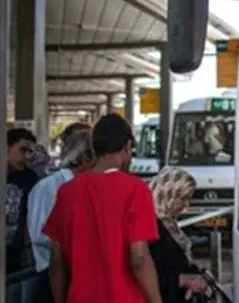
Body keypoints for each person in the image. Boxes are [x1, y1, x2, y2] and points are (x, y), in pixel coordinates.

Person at [43, 114, 163, 303]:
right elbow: (139, 257)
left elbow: (56, 260)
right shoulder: (136, 190)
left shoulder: (68, 191)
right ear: (127, 147)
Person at [26, 124, 92, 303]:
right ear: (86, 158)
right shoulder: (47, 188)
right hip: (49, 276)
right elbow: (39, 234)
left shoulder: (88, 188)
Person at [148, 167, 212, 302]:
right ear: (168, 194)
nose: (186, 206)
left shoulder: (168, 224)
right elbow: (144, 273)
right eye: (183, 199)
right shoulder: (149, 225)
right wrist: (182, 280)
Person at [6, 128, 41, 274]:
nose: (27, 157)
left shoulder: (28, 178)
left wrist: (28, 248)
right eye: (23, 150)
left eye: (30, 152)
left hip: (14, 256)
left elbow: (29, 215)